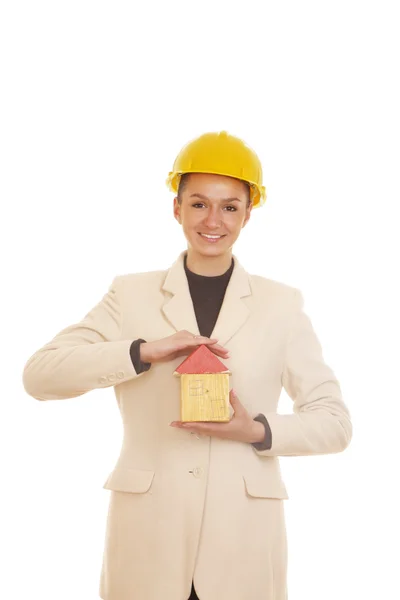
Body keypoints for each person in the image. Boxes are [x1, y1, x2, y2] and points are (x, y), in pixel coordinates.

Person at [22, 130, 353, 600]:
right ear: (176, 208)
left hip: (243, 543)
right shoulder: (129, 294)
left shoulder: (281, 304)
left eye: (229, 206)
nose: (213, 220)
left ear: (248, 214)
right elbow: (40, 375)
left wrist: (256, 431)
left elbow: (335, 423)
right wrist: (139, 352)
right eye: (198, 204)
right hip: (149, 539)